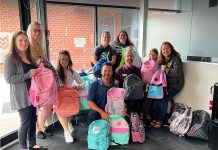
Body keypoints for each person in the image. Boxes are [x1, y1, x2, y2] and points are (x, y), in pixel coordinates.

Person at [4, 31, 47, 150]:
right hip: (21, 96)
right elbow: (8, 79)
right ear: (14, 42)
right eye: (20, 40)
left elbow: (34, 72)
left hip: (33, 94)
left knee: (33, 120)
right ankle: (23, 147)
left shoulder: (29, 57)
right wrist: (27, 75)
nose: (24, 43)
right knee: (25, 123)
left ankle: (32, 144)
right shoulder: (10, 58)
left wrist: (39, 65)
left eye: (26, 40)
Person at [27, 21, 52, 139]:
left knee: (47, 103)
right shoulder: (27, 46)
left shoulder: (40, 45)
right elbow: (27, 65)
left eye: (39, 30)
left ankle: (41, 127)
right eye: (34, 30)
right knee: (35, 106)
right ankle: (39, 129)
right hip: (32, 81)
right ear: (29, 31)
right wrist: (37, 63)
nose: (37, 33)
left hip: (42, 80)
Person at [151, 41, 184, 128]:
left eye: (167, 48)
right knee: (156, 98)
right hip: (163, 85)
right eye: (163, 49)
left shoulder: (176, 58)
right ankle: (155, 118)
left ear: (171, 49)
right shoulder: (160, 59)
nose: (165, 51)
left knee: (163, 98)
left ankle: (160, 120)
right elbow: (157, 70)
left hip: (175, 85)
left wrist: (166, 69)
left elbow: (177, 72)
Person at [56, 50, 85, 143]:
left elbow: (83, 82)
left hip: (70, 95)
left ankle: (69, 123)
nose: (64, 61)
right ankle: (66, 132)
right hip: (59, 96)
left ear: (69, 60)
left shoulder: (72, 72)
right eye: (62, 59)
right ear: (59, 60)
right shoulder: (55, 72)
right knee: (61, 109)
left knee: (73, 108)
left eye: (66, 59)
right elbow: (52, 86)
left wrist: (79, 86)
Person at [114, 47, 143, 116]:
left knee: (135, 118)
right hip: (123, 99)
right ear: (124, 57)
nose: (129, 57)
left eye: (131, 56)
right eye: (127, 56)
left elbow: (140, 85)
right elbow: (116, 86)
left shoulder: (137, 70)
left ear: (133, 57)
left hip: (135, 99)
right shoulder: (119, 70)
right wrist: (120, 100)